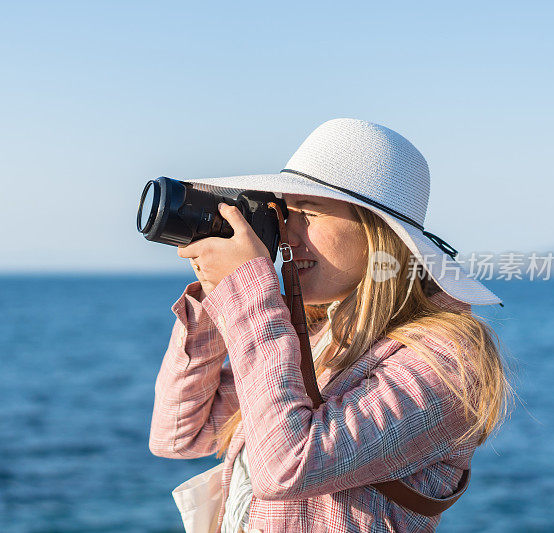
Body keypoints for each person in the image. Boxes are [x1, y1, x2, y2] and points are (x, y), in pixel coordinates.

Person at [149, 118, 512, 533]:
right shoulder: (318, 336)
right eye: (285, 213)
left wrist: (248, 296)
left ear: (380, 232)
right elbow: (179, 434)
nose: (288, 233)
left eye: (307, 212)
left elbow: (287, 466)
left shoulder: (447, 360)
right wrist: (217, 298)